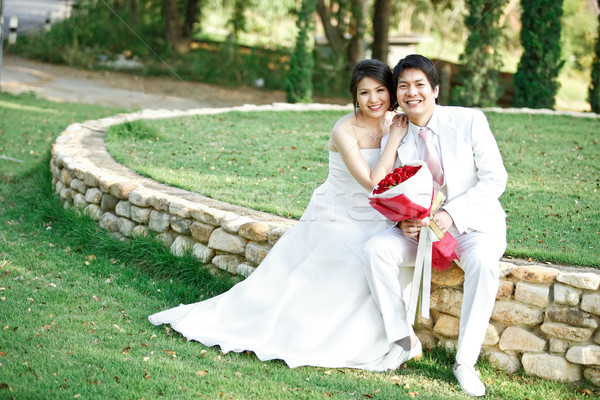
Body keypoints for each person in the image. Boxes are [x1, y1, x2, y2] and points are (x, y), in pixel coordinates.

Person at [149, 59, 418, 371]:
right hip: (337, 213)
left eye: (380, 90)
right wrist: (395, 139)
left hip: (377, 214)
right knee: (352, 251)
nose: (374, 100)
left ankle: (397, 337)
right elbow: (374, 182)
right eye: (364, 93)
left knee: (381, 249)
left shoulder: (396, 122)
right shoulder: (344, 130)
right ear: (354, 96)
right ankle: (322, 335)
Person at [364, 54, 507, 396]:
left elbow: (494, 179)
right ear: (397, 94)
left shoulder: (470, 121)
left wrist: (452, 214)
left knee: (484, 264)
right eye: (403, 87)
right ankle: (401, 342)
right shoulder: (395, 139)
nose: (412, 93)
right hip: (420, 233)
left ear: (435, 89)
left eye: (419, 85)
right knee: (376, 249)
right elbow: (384, 190)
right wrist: (401, 223)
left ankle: (465, 363)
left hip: (472, 227)